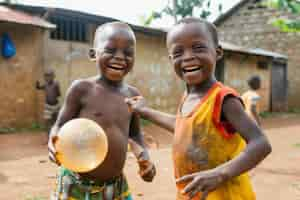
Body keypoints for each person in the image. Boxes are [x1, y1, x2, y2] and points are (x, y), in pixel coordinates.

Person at [126, 17, 271, 200]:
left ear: (217, 52)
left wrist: (220, 174)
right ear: (171, 59)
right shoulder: (187, 97)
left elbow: (261, 144)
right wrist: (146, 111)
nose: (187, 57)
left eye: (198, 48)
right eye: (178, 52)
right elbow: (185, 128)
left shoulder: (223, 98)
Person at [48, 22, 156, 200]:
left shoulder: (133, 96)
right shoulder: (82, 89)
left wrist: (144, 159)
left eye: (128, 53)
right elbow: (59, 126)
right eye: (110, 50)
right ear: (93, 54)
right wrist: (53, 142)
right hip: (76, 183)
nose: (120, 57)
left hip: (115, 186)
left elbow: (135, 135)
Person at [36, 69, 61, 139]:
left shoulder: (56, 84)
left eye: (49, 76)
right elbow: (39, 88)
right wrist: (37, 84)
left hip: (56, 105)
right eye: (46, 76)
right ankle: (49, 137)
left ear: (53, 76)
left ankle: (56, 136)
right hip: (48, 106)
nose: (47, 78)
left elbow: (59, 94)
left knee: (56, 121)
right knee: (47, 122)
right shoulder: (45, 85)